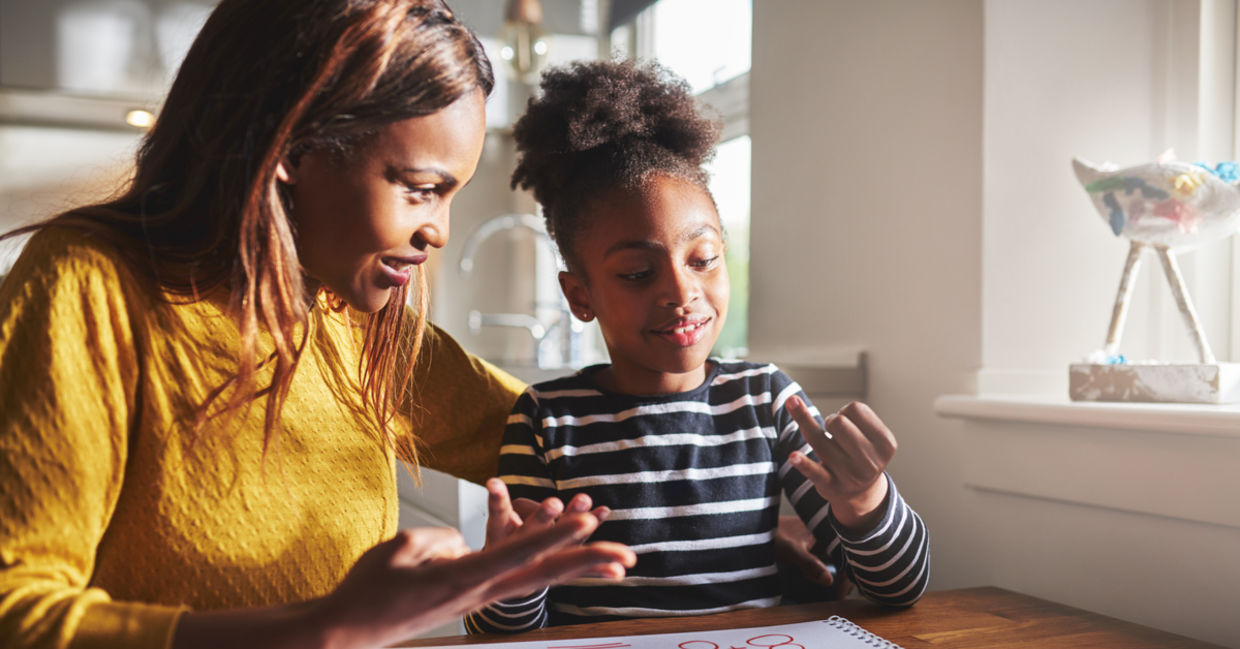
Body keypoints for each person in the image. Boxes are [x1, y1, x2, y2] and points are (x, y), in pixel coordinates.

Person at [0, 2, 639, 649]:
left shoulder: (355, 319)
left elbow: (570, 436)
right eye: (420, 187)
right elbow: (16, 612)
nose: (438, 232)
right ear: (294, 145)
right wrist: (324, 627)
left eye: (450, 195)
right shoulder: (89, 287)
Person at [465, 60, 930, 633]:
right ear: (580, 294)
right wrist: (513, 577)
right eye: (637, 273)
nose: (682, 292)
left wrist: (865, 501)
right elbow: (497, 634)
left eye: (703, 259)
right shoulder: (544, 418)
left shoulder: (765, 399)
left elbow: (899, 589)